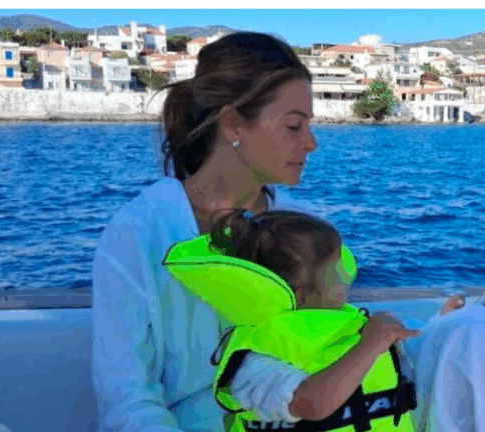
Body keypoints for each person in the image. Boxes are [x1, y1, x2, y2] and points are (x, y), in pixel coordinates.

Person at [92, 32, 318, 432]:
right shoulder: (138, 232)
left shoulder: (304, 225)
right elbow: (128, 396)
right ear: (232, 124)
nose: (311, 143)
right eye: (294, 126)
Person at [162, 209, 467, 432]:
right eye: (338, 269)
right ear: (301, 291)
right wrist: (372, 344)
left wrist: (440, 325)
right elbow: (309, 404)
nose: (349, 276)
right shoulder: (255, 360)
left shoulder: (341, 324)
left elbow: (386, 371)